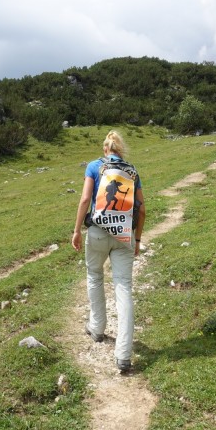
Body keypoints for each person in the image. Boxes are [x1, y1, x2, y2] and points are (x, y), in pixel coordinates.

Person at [71, 130, 145, 373]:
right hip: (124, 235)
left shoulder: (94, 166)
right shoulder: (132, 171)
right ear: (120, 149)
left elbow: (84, 200)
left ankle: (97, 328)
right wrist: (137, 239)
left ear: (105, 149)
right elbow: (142, 208)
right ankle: (123, 355)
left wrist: (76, 231)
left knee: (94, 275)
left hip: (99, 232)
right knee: (123, 286)